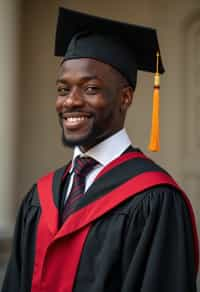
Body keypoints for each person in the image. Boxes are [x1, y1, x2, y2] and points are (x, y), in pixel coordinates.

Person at [2, 7, 199, 292]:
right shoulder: (40, 197)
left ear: (125, 97)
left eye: (90, 88)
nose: (70, 101)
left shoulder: (155, 200)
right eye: (62, 89)